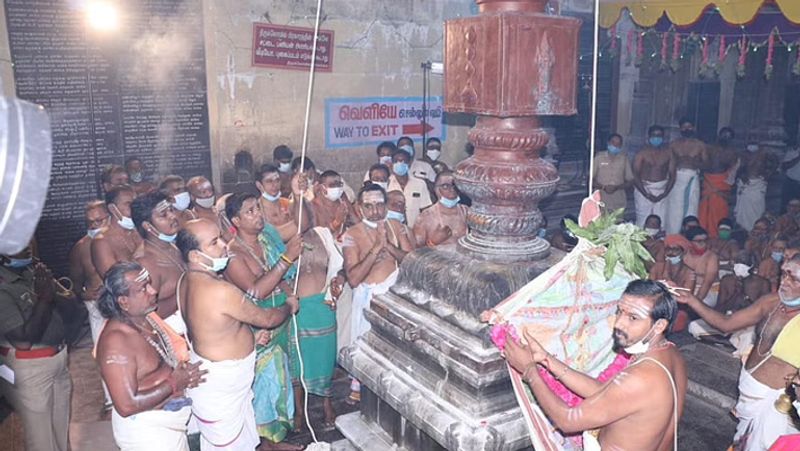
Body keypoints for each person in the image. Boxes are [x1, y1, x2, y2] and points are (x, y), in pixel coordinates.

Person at [503, 280, 686, 451]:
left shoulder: (640, 377)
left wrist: (529, 371)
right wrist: (545, 359)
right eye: (619, 311)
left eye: (633, 318)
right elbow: (605, 392)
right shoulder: (670, 353)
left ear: (659, 325)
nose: (619, 323)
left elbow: (568, 421)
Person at [176, 219, 299, 451]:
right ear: (195, 255)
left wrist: (250, 339)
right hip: (221, 386)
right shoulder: (219, 291)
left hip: (219, 380)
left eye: (221, 237)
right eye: (214, 242)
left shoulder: (186, 279)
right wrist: (289, 305)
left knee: (241, 439)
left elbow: (212, 329)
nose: (225, 244)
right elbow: (268, 319)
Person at [674, 255, 800, 450]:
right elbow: (726, 324)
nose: (784, 281)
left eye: (794, 278)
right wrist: (691, 300)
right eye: (784, 274)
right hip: (748, 391)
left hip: (776, 404)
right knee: (743, 441)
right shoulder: (770, 302)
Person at [95, 262, 205, 451]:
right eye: (143, 288)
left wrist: (183, 378)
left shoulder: (145, 317)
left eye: (150, 283)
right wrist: (173, 383)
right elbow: (126, 405)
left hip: (166, 428)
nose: (153, 291)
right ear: (123, 301)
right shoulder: (116, 342)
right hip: (147, 434)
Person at [223, 192, 304, 447]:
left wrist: (290, 295)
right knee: (261, 385)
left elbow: (281, 277)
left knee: (280, 379)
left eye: (258, 208)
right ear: (236, 220)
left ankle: (276, 440)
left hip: (280, 316)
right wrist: (288, 257)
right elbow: (255, 290)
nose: (258, 214)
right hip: (256, 325)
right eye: (250, 211)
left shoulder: (267, 239)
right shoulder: (233, 254)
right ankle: (264, 443)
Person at [342, 184, 414, 403]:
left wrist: (389, 247)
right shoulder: (350, 235)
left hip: (395, 298)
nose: (375, 211)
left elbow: (414, 262)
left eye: (379, 204)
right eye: (369, 206)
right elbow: (354, 279)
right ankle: (362, 387)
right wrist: (375, 249)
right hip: (368, 301)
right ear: (360, 208)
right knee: (368, 349)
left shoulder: (396, 226)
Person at [0, 251, 71, 451]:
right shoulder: (3, 286)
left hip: (57, 359)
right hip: (30, 369)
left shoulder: (30, 270)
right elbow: (23, 341)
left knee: (60, 433)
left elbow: (71, 305)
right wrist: (45, 297)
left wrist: (54, 286)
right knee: (41, 440)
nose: (27, 247)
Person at [69, 200, 112, 406]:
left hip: (123, 303)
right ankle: (109, 399)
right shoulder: (80, 248)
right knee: (103, 351)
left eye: (99, 220)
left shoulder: (120, 239)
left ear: (110, 217)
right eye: (90, 223)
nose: (94, 226)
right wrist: (85, 295)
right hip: (97, 308)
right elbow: (75, 285)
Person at [131, 192, 187, 334]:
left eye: (171, 210)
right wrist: (188, 288)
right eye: (163, 215)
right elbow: (147, 315)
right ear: (148, 226)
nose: (172, 216)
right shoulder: (146, 263)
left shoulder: (173, 245)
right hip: (169, 334)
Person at [664, 118, 707, 234]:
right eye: (684, 127)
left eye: (689, 126)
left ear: (693, 128)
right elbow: (669, 163)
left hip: (692, 178)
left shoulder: (700, 145)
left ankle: (690, 235)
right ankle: (673, 235)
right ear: (680, 129)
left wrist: (693, 162)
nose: (686, 129)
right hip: (676, 179)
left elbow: (706, 164)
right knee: (675, 209)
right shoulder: (674, 144)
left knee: (691, 208)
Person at [92, 185, 143, 276]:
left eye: (136, 203)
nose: (135, 208)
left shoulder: (142, 231)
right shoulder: (102, 242)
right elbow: (114, 281)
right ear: (112, 208)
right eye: (129, 204)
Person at [255, 164, 312, 243]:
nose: (274, 185)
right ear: (259, 185)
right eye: (269, 181)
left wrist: (297, 195)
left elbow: (304, 225)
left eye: (277, 180)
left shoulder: (287, 203)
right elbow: (272, 237)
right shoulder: (256, 210)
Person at [633, 125, 676, 227]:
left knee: (661, 220)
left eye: (659, 135)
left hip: (662, 189)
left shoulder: (669, 153)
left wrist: (664, 194)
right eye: (654, 135)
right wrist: (646, 194)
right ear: (648, 137)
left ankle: (659, 242)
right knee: (642, 219)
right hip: (644, 189)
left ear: (663, 137)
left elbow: (672, 175)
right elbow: (635, 175)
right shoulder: (641, 154)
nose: (656, 138)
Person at [699, 128, 739, 236]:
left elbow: (733, 172)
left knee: (719, 210)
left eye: (728, 136)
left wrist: (728, 184)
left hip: (721, 183)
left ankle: (715, 235)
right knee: (704, 211)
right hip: (708, 181)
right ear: (719, 135)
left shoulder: (732, 153)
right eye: (723, 135)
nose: (725, 138)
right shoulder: (708, 149)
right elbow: (701, 164)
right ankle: (702, 233)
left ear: (731, 139)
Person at [413, 171, 469, 247]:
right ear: (436, 190)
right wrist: (433, 242)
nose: (452, 189)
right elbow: (416, 252)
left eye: (455, 186)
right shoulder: (425, 217)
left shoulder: (466, 212)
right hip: (435, 258)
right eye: (445, 186)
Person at [735, 143, 777, 231]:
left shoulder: (762, 163)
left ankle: (755, 232)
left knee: (756, 217)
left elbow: (774, 163)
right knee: (743, 221)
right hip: (746, 193)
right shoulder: (744, 162)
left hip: (756, 195)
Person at [387, 148, 432, 227]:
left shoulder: (420, 184)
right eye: (396, 161)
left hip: (415, 229)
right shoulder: (387, 184)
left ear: (409, 163)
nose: (400, 164)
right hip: (393, 229)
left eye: (403, 161)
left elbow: (426, 210)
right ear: (392, 164)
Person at [592, 133, 633, 213]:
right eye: (613, 143)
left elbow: (630, 181)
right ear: (608, 143)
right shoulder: (599, 158)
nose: (615, 146)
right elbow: (590, 179)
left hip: (618, 200)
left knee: (618, 224)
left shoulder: (624, 159)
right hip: (601, 199)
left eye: (618, 144)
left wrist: (617, 187)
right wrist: (603, 187)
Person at [311, 170, 356, 237]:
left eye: (339, 184)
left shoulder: (342, 200)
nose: (337, 188)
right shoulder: (313, 206)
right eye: (333, 185)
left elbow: (356, 221)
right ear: (322, 188)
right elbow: (318, 236)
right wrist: (336, 222)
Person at [683, 227, 720, 307]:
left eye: (705, 240)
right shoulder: (684, 254)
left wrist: (696, 301)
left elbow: (707, 283)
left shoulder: (712, 257)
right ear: (689, 242)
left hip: (709, 290)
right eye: (699, 241)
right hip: (688, 288)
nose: (703, 243)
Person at [781, 143, 800, 211]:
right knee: (786, 207)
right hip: (791, 184)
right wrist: (798, 157)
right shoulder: (792, 151)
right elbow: (784, 166)